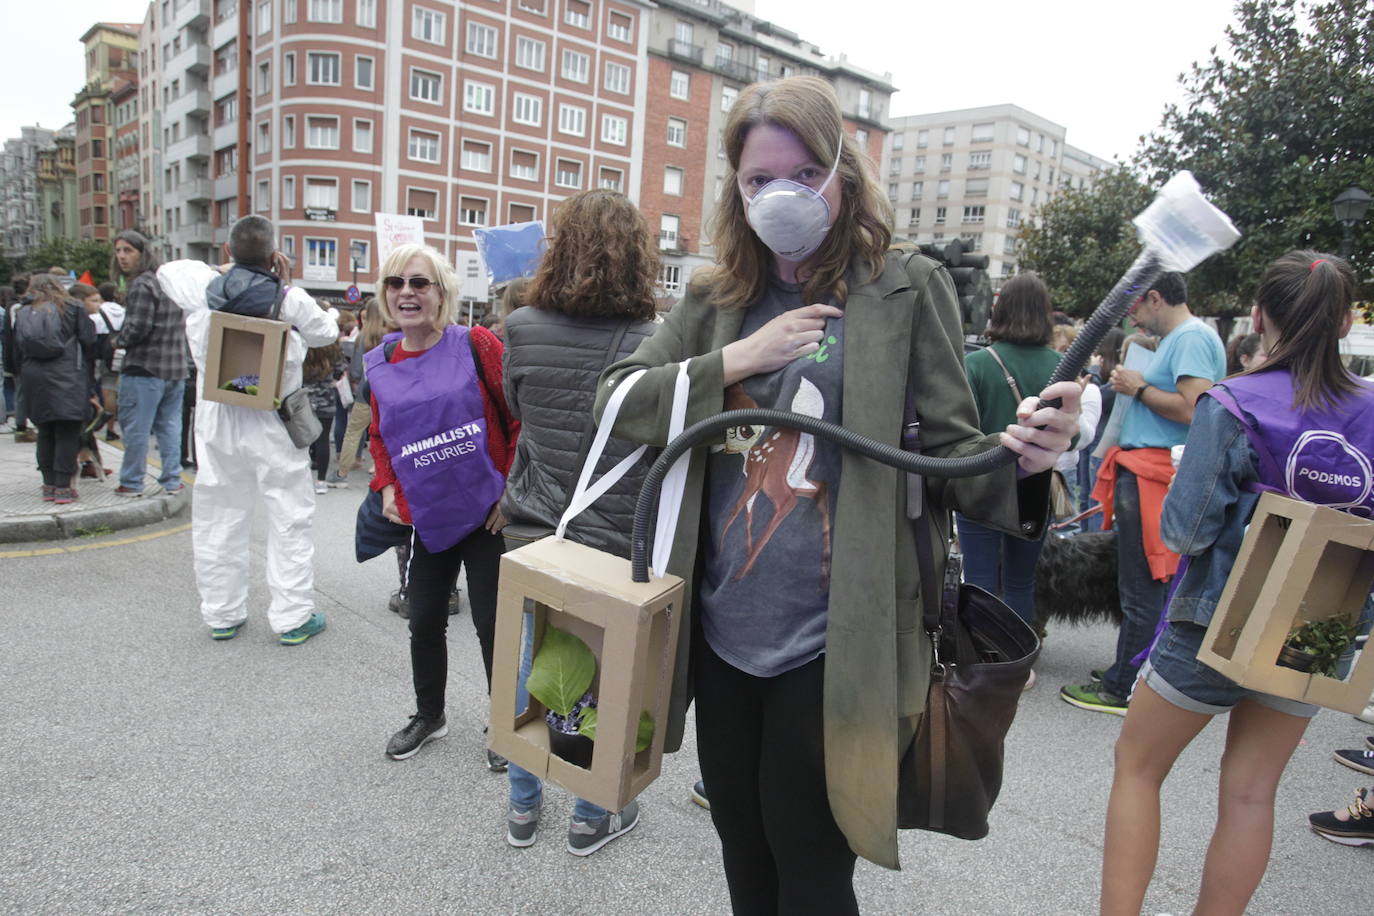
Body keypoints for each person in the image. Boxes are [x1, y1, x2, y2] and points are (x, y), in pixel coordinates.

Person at [595, 76, 1080, 913]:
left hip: (836, 638)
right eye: (756, 180)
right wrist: (740, 361)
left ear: (840, 175)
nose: (778, 194)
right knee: (742, 843)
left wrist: (1029, 460)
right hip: (718, 629)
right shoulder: (715, 299)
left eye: (800, 171)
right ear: (736, 189)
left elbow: (957, 452)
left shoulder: (903, 287)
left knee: (812, 857)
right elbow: (619, 401)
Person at [1100, 250, 1374, 914]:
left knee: (1139, 770)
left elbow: (1186, 534)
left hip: (1214, 619)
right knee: (1252, 794)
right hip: (1318, 626)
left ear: (1259, 316)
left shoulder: (1232, 402)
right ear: (1344, 323)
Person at [497, 189, 660, 855]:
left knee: (527, 657)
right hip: (619, 537)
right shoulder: (657, 342)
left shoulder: (522, 327)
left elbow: (518, 409)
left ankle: (522, 804)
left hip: (537, 524)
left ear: (558, 250)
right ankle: (593, 815)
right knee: (606, 670)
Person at [366, 243, 519, 764]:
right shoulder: (382, 361)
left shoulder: (475, 343)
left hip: (486, 515)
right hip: (429, 519)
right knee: (424, 618)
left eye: (418, 283)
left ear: (441, 293)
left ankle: (505, 727)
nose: (406, 293)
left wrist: (510, 492)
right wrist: (387, 486)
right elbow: (380, 436)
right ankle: (430, 715)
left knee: (493, 626)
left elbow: (519, 419)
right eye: (395, 283)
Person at [156, 215, 338, 645]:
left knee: (219, 514)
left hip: (218, 416)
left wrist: (226, 273)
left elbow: (167, 270)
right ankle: (292, 617)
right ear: (275, 257)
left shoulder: (201, 288)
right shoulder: (289, 298)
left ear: (226, 253)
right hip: (274, 418)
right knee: (289, 517)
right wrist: (284, 283)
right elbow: (324, 332)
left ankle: (223, 613)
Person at [1061, 272, 1225, 715]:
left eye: (1135, 307)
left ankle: (1123, 684)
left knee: (1140, 585)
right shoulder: (1184, 338)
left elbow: (1197, 408)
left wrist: (1140, 388)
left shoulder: (1190, 338)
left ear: (1155, 298)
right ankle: (1127, 671)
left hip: (1152, 475)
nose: (1133, 316)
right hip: (1145, 472)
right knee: (1136, 581)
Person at [960, 271, 1065, 627]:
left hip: (982, 483)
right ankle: (1018, 666)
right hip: (1035, 485)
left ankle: (980, 664)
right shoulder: (1060, 365)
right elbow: (1074, 438)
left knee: (979, 582)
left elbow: (961, 432)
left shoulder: (976, 363)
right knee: (1021, 582)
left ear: (998, 310)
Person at [2, 274, 96, 504]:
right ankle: (64, 488)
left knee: (45, 431)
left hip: (33, 377)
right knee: (67, 431)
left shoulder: (22, 312)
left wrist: (19, 374)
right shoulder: (73, 307)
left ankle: (48, 484)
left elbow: (13, 349)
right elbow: (89, 340)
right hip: (68, 376)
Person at [111, 230, 190, 497]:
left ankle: (132, 482)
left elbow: (138, 328)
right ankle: (172, 479)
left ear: (142, 253)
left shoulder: (142, 285)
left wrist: (116, 341)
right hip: (175, 368)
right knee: (169, 427)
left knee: (136, 428)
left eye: (128, 251)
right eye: (119, 251)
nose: (121, 256)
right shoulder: (169, 283)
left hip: (145, 368)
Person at [301, 342, 345, 495]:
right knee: (323, 438)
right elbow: (340, 370)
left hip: (303, 399)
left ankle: (301, 479)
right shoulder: (332, 346)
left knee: (301, 439)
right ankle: (321, 481)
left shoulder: (304, 343)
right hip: (326, 397)